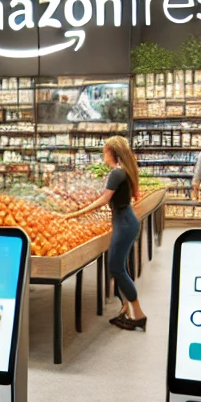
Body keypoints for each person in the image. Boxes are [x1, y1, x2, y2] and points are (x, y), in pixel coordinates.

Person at [64, 136, 147, 331]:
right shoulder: (123, 172)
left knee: (116, 269)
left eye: (104, 152)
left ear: (112, 153)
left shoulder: (116, 173)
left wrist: (77, 213)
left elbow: (103, 200)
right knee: (120, 268)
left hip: (124, 223)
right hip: (126, 221)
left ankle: (139, 314)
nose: (103, 156)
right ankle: (125, 309)